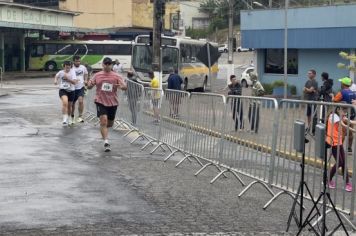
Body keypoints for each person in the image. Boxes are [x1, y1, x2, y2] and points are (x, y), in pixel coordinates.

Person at [87, 57, 127, 152]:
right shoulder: (97, 75)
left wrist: (122, 86)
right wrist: (88, 84)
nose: (107, 65)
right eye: (106, 64)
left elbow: (124, 87)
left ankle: (103, 129)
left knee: (109, 124)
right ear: (103, 64)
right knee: (103, 121)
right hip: (100, 101)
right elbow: (89, 86)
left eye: (109, 64)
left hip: (112, 102)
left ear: (112, 65)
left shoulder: (116, 76)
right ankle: (106, 142)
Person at [326, 107, 352, 192]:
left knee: (344, 162)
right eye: (343, 111)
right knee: (340, 162)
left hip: (339, 143)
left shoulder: (338, 116)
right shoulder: (333, 116)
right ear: (338, 109)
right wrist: (352, 129)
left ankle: (347, 183)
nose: (345, 113)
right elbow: (345, 124)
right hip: (333, 143)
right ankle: (328, 180)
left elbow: (348, 121)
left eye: (346, 111)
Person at [332, 77, 356, 152]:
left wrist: (332, 96)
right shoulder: (353, 92)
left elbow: (334, 100)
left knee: (342, 131)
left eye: (341, 82)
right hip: (351, 113)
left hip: (344, 113)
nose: (341, 83)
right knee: (350, 131)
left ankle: (340, 148)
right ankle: (349, 148)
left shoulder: (341, 92)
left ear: (343, 84)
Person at [54, 61, 77, 126]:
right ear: (64, 67)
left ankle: (69, 118)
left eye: (69, 68)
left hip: (71, 91)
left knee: (69, 106)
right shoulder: (61, 72)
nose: (67, 69)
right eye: (66, 68)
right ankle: (64, 118)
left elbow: (74, 82)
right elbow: (56, 76)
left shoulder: (72, 72)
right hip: (63, 90)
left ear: (70, 67)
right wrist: (55, 81)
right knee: (65, 102)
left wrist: (68, 79)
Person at [71, 55, 88, 124]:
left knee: (81, 101)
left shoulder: (83, 67)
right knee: (72, 103)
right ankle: (72, 116)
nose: (78, 62)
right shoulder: (71, 67)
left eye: (79, 61)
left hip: (81, 87)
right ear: (73, 61)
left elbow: (86, 74)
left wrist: (86, 80)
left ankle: (80, 117)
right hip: (72, 88)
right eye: (76, 61)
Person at [303, 69, 318, 134]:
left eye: (310, 73)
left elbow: (310, 90)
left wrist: (308, 90)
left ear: (314, 74)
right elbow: (304, 90)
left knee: (314, 114)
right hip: (308, 100)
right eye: (308, 73)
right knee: (308, 114)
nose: (308, 74)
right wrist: (308, 90)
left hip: (313, 100)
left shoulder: (315, 82)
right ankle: (309, 127)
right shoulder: (307, 82)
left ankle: (314, 129)